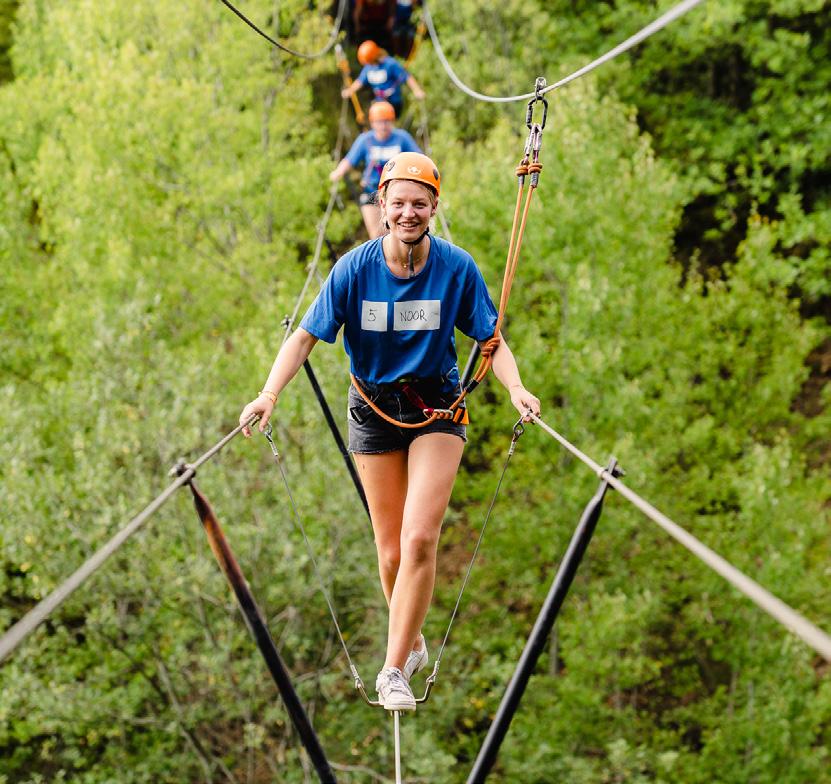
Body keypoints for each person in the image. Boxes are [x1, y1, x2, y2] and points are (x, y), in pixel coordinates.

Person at [239, 152, 540, 712]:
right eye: (398, 203)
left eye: (419, 204)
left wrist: (516, 388)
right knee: (391, 553)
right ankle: (412, 637)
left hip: (436, 407)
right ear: (381, 205)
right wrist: (268, 394)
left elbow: (490, 339)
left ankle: (393, 669)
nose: (408, 213)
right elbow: (304, 337)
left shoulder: (456, 267)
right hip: (373, 407)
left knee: (420, 538)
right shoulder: (353, 270)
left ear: (434, 208)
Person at [330, 100, 421, 240]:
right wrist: (338, 173)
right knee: (377, 236)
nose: (383, 126)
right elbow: (349, 160)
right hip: (371, 191)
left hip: (397, 191)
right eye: (379, 122)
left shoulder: (402, 138)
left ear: (393, 121)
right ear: (372, 123)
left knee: (396, 233)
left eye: (387, 121)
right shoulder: (365, 140)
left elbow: (419, 158)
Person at [342, 40, 425, 120]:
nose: (370, 64)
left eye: (371, 62)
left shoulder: (390, 64)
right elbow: (360, 81)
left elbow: (407, 77)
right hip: (379, 103)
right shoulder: (368, 67)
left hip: (393, 103)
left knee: (387, 121)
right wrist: (350, 90)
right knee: (376, 118)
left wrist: (417, 90)